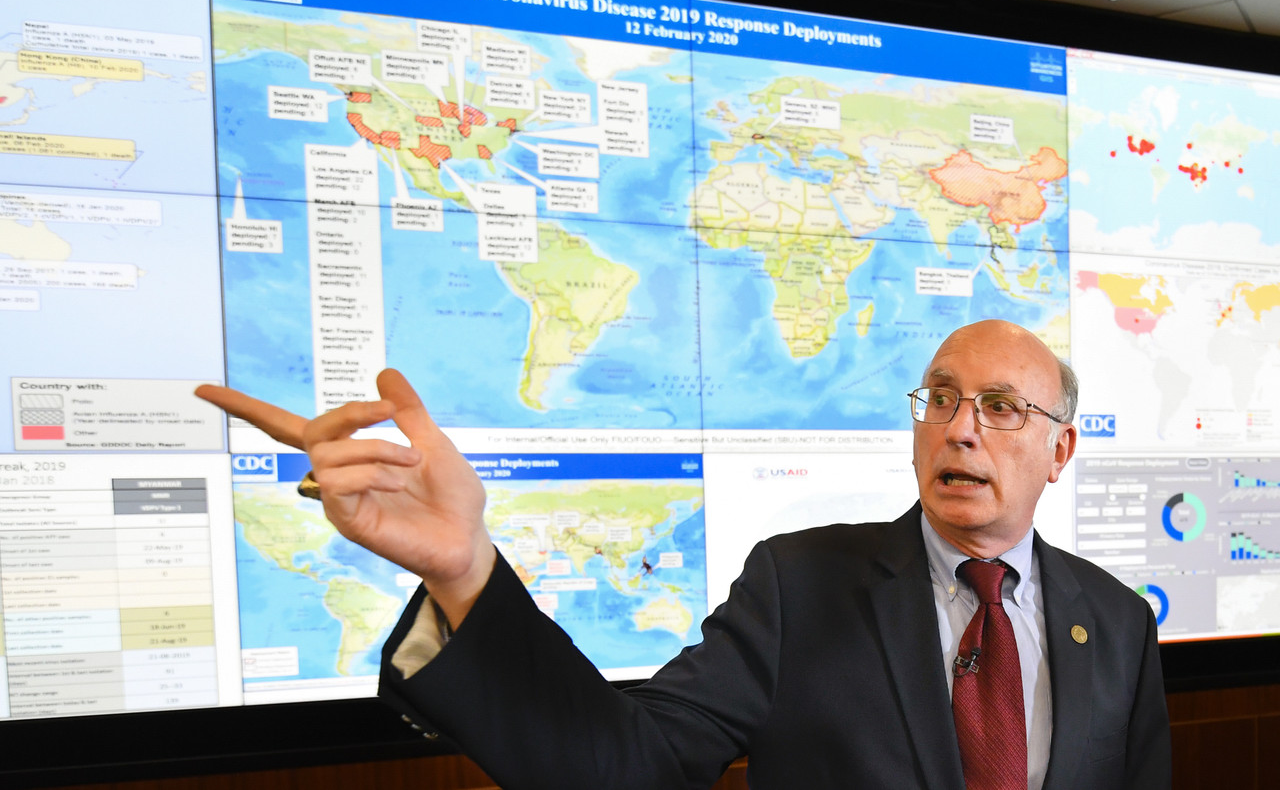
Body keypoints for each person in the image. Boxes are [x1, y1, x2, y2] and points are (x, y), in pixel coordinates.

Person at [196, 319, 1171, 789]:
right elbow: (629, 763)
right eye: (941, 398)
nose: (959, 427)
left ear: (1059, 450)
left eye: (999, 407)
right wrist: (463, 569)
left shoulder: (1117, 624)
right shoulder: (800, 586)